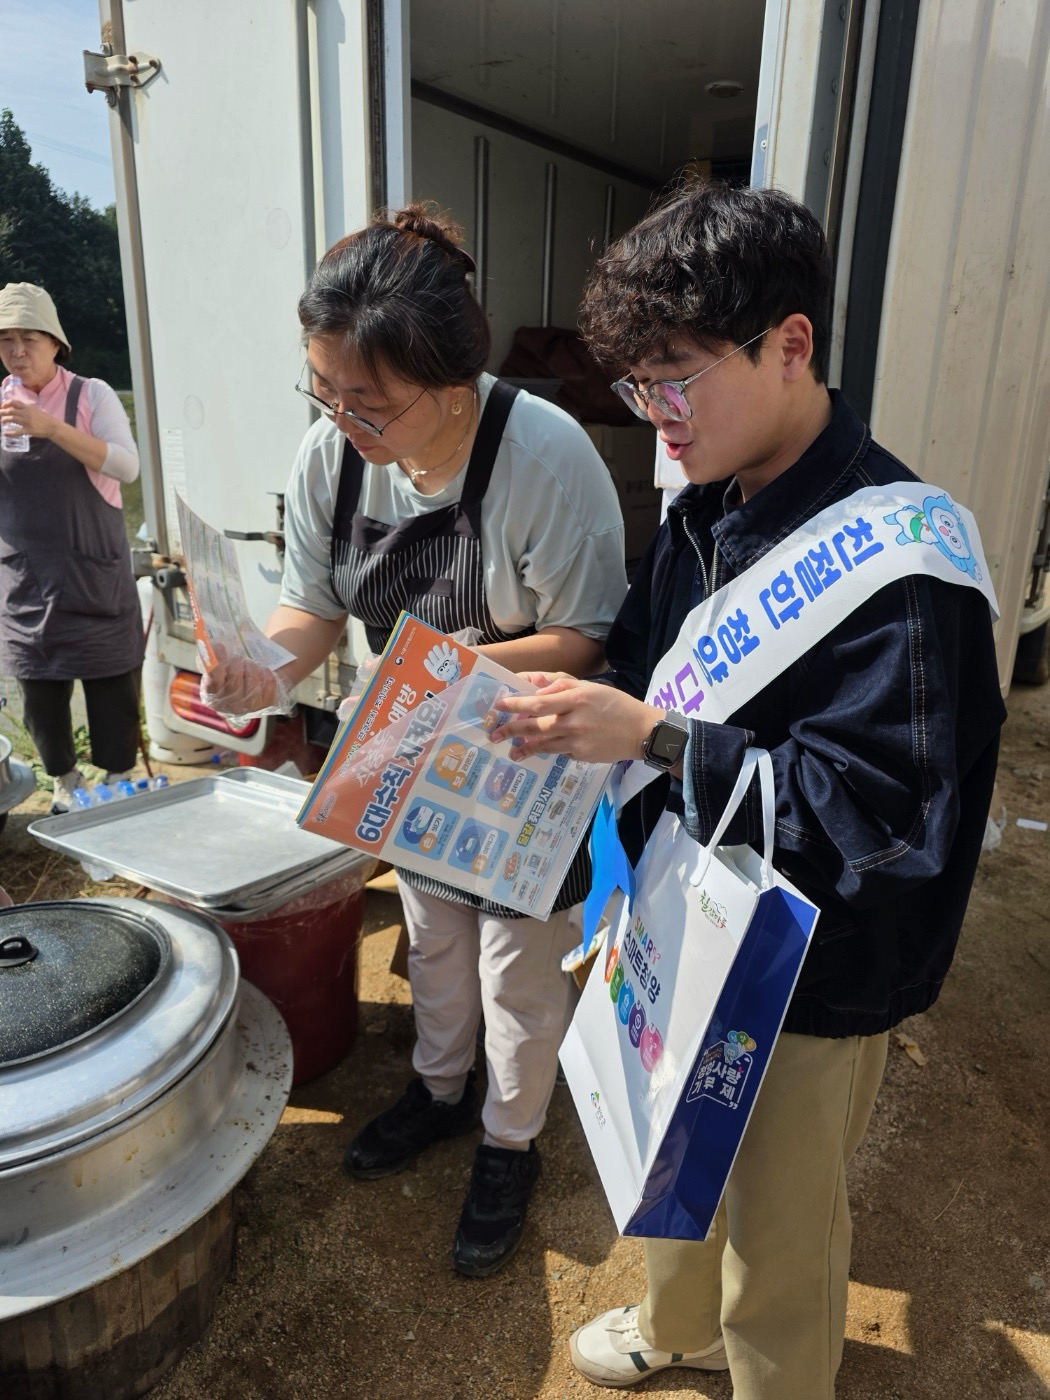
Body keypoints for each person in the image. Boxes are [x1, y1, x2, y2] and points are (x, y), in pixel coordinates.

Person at [490, 181, 1006, 1396]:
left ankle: (776, 1376)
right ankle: (677, 1326)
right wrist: (562, 711)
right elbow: (636, 655)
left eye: (676, 378)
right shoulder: (703, 509)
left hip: (813, 970)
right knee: (667, 1145)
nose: (654, 417)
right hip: (676, 916)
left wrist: (661, 739)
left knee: (781, 1219)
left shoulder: (904, 557)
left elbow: (884, 823)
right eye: (635, 386)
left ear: (791, 343)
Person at [201, 204, 628, 1276]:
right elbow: (311, 604)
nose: (344, 418)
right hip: (415, 729)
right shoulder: (328, 457)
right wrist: (265, 663)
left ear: (453, 388)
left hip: (530, 741)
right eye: (324, 389)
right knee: (433, 933)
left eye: (372, 405)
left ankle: (509, 1141)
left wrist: (447, 677)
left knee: (516, 961)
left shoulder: (544, 453)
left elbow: (587, 634)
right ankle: (440, 1091)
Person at [0, 283, 144, 813]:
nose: (17, 351)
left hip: (93, 580)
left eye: (29, 338)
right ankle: (65, 787)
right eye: (5, 340)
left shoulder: (92, 396)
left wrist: (51, 429)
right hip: (25, 586)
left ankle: (117, 789)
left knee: (113, 697)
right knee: (41, 701)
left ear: (56, 343)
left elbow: (128, 468)